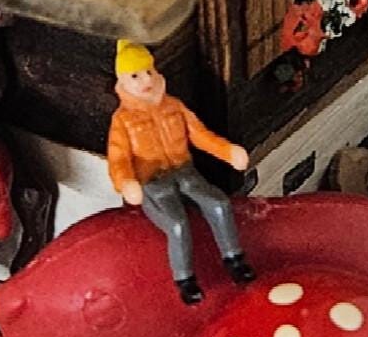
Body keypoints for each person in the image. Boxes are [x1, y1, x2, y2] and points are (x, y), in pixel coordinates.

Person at [104, 42, 255, 305]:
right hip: (153, 184)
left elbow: (200, 135)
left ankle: (234, 259)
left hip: (185, 173)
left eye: (149, 71)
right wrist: (126, 183)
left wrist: (228, 152)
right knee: (177, 224)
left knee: (219, 203)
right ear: (123, 82)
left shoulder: (173, 106)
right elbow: (119, 158)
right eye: (136, 76)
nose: (146, 80)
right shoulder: (123, 121)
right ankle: (185, 280)